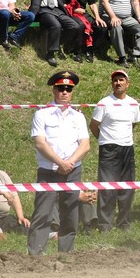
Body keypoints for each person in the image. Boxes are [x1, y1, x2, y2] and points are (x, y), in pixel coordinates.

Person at [27, 71, 90, 255]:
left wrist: (69, 163)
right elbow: (40, 143)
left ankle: (66, 255)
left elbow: (85, 145)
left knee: (70, 215)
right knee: (42, 214)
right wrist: (60, 162)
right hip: (48, 171)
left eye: (68, 89)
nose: (64, 92)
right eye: (61, 88)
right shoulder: (42, 114)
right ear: (54, 90)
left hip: (72, 171)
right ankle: (35, 255)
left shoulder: (78, 116)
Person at [90, 69, 140, 232]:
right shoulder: (104, 103)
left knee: (127, 187)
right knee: (107, 188)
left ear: (127, 84)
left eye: (121, 80)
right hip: (109, 149)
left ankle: (124, 223)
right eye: (115, 80)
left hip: (127, 148)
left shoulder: (133, 103)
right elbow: (94, 125)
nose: (118, 83)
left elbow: (133, 124)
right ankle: (105, 224)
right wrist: (105, 140)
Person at [19, 0, 84, 65]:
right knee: (56, 25)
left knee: (74, 26)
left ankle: (57, 43)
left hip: (58, 10)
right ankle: (51, 54)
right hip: (44, 10)